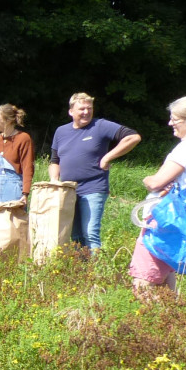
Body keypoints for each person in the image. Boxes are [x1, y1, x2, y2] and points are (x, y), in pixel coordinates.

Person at [129, 95, 186, 293]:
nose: (170, 123)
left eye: (175, 119)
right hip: (174, 220)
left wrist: (148, 179)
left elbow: (156, 182)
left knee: (144, 283)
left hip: (163, 221)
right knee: (165, 285)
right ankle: (174, 322)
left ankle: (153, 323)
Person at [49, 92, 141, 251]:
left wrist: (107, 157)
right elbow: (54, 161)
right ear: (71, 111)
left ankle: (96, 272)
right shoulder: (61, 131)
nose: (86, 112)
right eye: (82, 109)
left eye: (89, 108)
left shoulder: (100, 125)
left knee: (90, 232)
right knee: (75, 234)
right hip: (68, 190)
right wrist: (54, 180)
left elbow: (133, 137)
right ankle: (81, 272)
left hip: (93, 187)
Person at [0, 104, 35, 206]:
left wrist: (25, 194)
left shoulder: (23, 138)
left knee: (13, 222)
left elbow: (27, 168)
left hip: (13, 194)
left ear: (8, 120)